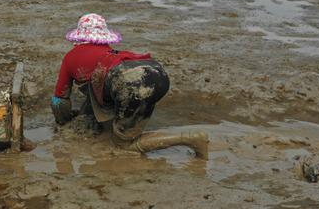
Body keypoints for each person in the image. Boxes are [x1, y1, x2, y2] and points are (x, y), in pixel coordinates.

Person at [51, 13, 208, 157]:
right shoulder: (110, 52)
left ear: (79, 36)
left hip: (129, 80)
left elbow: (59, 100)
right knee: (129, 110)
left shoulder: (71, 57)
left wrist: (63, 120)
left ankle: (191, 139)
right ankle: (131, 127)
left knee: (125, 145)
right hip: (157, 72)